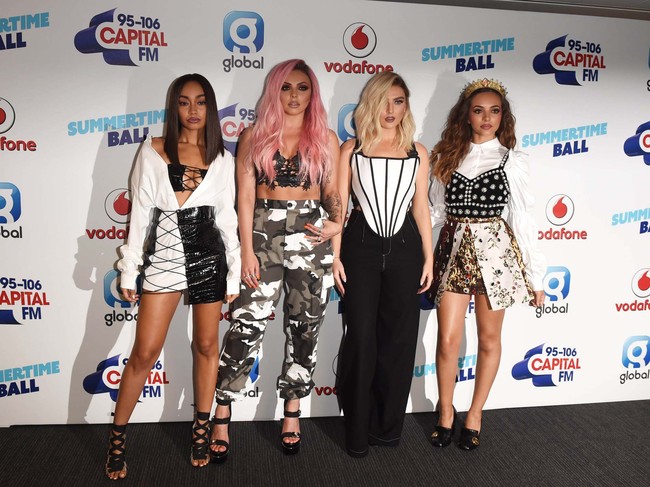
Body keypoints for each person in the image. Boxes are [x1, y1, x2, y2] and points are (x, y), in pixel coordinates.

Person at [105, 73, 240, 479]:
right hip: (162, 258)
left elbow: (228, 221)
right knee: (143, 354)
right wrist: (130, 268)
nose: (193, 110)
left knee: (205, 346)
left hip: (208, 258)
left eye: (201, 102)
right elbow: (139, 215)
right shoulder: (152, 150)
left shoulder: (223, 158)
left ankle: (200, 431)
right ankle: (116, 438)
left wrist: (232, 275)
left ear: (210, 108)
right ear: (174, 107)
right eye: (184, 102)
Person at [211, 59, 341, 459]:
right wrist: (246, 250)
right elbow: (244, 197)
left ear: (312, 93)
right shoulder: (254, 135)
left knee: (305, 327)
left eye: (302, 88)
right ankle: (221, 411)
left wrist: (337, 224)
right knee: (246, 324)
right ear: (274, 91)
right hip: (263, 232)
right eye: (286, 88)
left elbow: (334, 192)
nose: (294, 96)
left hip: (311, 232)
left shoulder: (326, 137)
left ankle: (293, 410)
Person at [428, 78, 546, 450]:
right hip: (454, 250)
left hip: (497, 255)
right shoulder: (446, 156)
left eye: (494, 111)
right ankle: (446, 411)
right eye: (479, 110)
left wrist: (536, 275)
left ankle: (475, 413)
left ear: (503, 116)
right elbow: (434, 211)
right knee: (447, 340)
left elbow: (523, 220)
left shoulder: (513, 161)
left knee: (489, 339)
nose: (487, 118)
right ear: (466, 115)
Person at [332, 71, 433, 458]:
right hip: (361, 246)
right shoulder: (351, 149)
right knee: (360, 338)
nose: (391, 110)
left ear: (406, 106)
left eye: (399, 101)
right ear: (371, 103)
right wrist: (337, 255)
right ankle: (357, 432)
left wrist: (428, 255)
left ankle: (388, 429)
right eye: (385, 101)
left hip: (406, 247)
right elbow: (340, 204)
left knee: (400, 340)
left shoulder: (417, 151)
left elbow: (421, 206)